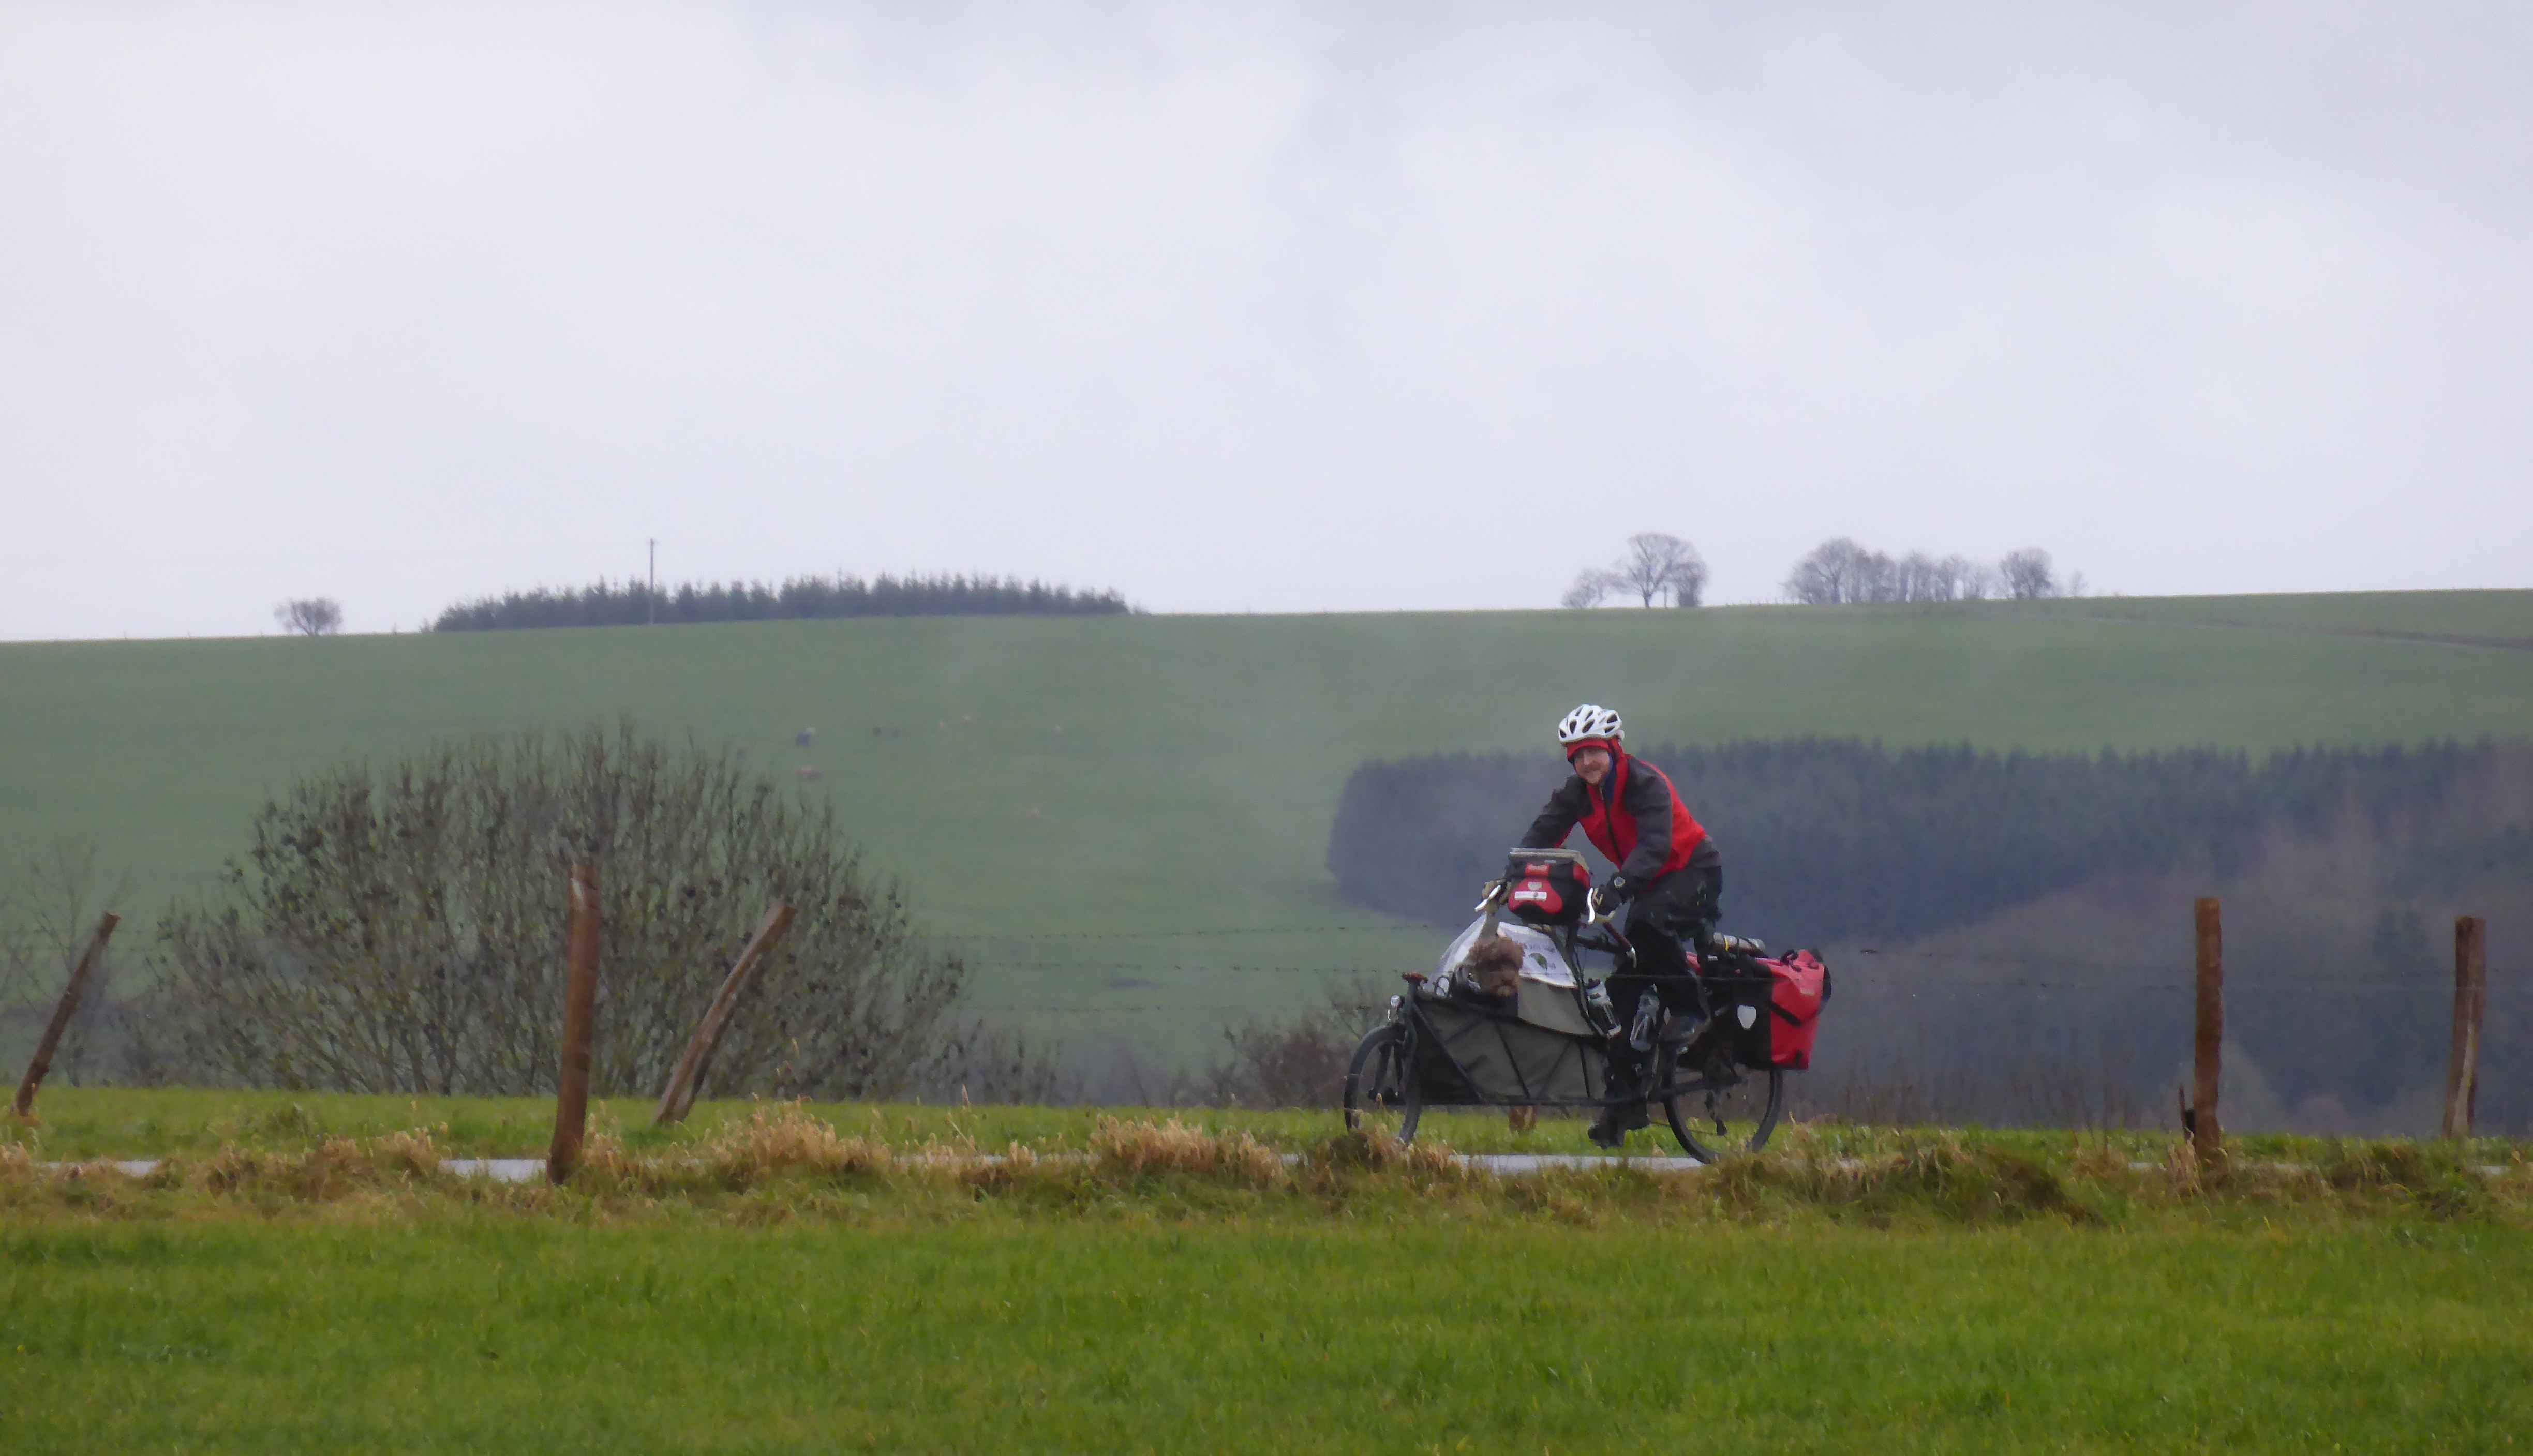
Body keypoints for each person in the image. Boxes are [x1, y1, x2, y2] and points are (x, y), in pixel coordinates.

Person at [1514, 702, 1723, 1147]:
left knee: (1648, 926)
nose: (1586, 762)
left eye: (1594, 751)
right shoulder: (1577, 793)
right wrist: (1513, 876)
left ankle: (1692, 1008)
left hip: (1693, 871)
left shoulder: (1645, 784)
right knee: (1623, 990)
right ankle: (1622, 1109)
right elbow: (1539, 838)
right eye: (1577, 755)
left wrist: (1616, 889)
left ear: (1614, 749)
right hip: (1649, 884)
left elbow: (1654, 847)